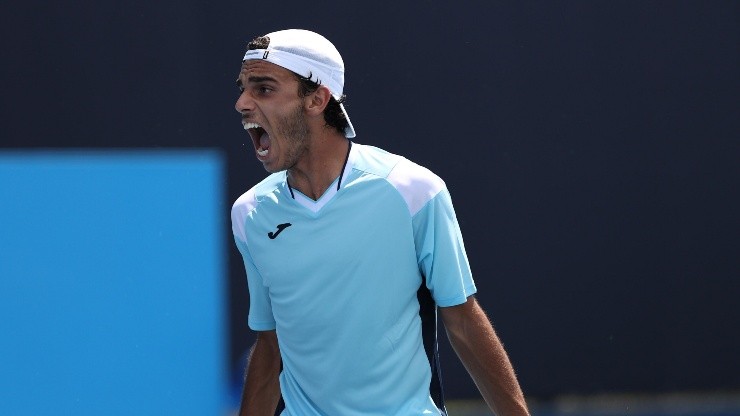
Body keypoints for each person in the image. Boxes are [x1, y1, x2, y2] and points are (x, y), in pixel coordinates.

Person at [231, 28, 530, 416]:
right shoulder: (250, 214)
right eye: (242, 88)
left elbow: (462, 321)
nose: (241, 103)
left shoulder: (414, 192)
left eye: (264, 88)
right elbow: (271, 346)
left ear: (317, 99)